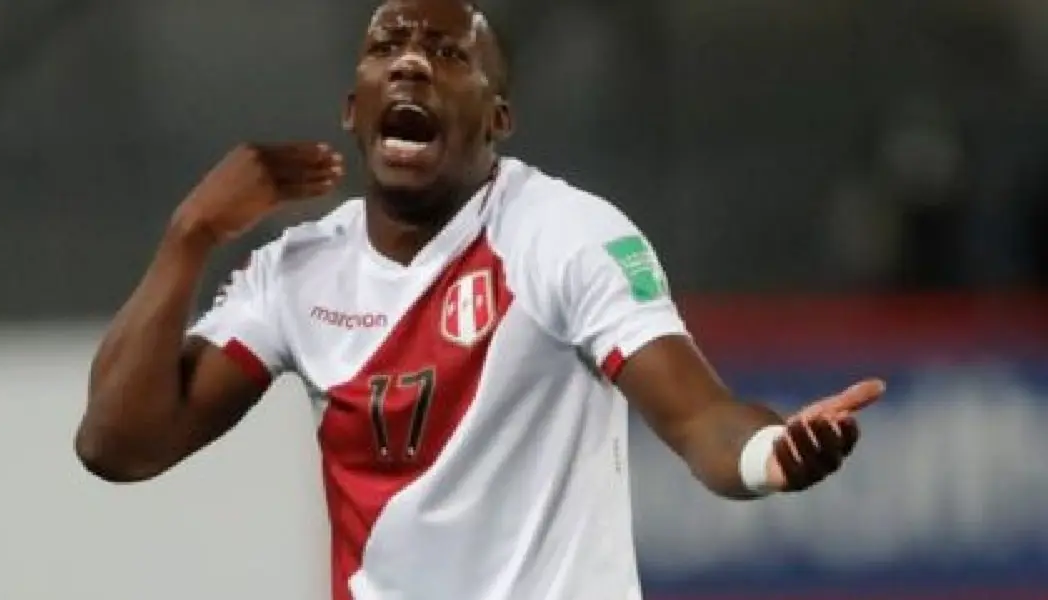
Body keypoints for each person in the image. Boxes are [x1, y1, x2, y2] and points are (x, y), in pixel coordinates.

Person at [75, 0, 885, 598]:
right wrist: (190, 233)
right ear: (353, 109)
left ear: (497, 119)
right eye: (387, 45)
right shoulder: (301, 270)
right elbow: (118, 446)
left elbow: (700, 418)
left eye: (448, 53)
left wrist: (771, 456)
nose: (412, 63)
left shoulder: (564, 236)